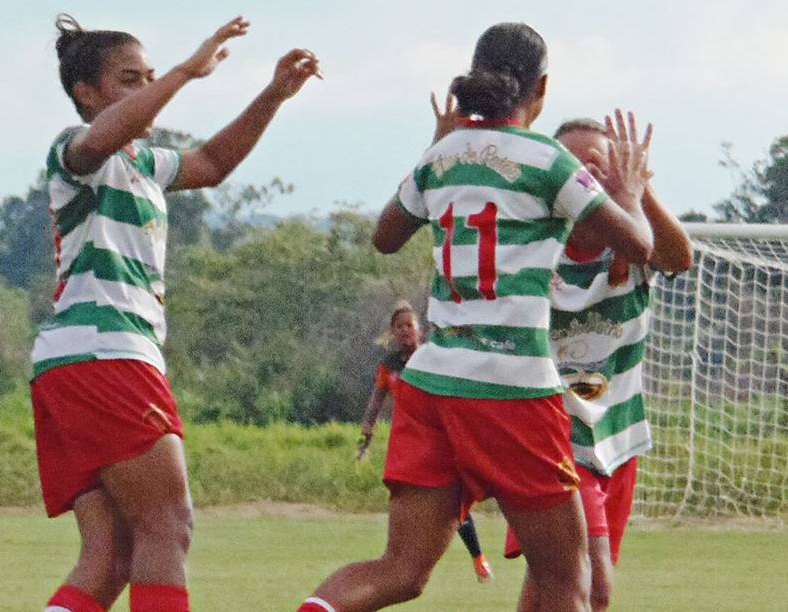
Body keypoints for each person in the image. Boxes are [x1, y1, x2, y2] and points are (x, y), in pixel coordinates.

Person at [296, 22, 655, 612]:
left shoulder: (442, 157)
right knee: (569, 582)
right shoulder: (549, 160)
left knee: (401, 571)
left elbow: (385, 237)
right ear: (541, 87)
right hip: (512, 388)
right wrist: (633, 193)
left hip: (434, 383)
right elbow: (638, 246)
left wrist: (436, 151)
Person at [30, 14, 320, 612]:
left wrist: (271, 96)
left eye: (150, 76)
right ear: (87, 94)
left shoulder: (143, 163)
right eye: (127, 79)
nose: (144, 88)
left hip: (74, 361)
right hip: (107, 352)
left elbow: (212, 164)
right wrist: (188, 72)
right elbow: (102, 138)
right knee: (169, 527)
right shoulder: (75, 150)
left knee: (109, 556)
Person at [503, 117, 692, 611]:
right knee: (593, 588)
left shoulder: (634, 243)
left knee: (554, 584)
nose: (588, 172)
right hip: (557, 441)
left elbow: (681, 257)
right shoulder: (536, 244)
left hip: (618, 437)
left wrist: (639, 193)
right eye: (576, 163)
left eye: (601, 163)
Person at [357, 301, 493, 583]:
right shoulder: (389, 366)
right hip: (408, 444)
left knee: (454, 498)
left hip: (440, 439)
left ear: (420, 329)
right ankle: (399, 559)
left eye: (410, 325)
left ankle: (477, 556)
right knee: (406, 500)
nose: (405, 330)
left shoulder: (432, 357)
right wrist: (366, 433)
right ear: (393, 332)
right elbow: (376, 399)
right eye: (399, 326)